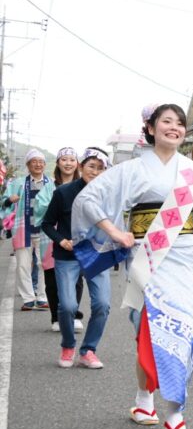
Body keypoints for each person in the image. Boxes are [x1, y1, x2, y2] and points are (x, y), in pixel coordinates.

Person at [71, 104, 193, 429]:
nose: (174, 128)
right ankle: (148, 401)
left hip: (187, 264)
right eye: (166, 122)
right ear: (151, 128)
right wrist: (115, 233)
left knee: (184, 333)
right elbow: (88, 200)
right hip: (148, 262)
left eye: (179, 123)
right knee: (149, 333)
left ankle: (174, 409)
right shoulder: (130, 170)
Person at [41, 147, 113, 369]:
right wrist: (61, 240)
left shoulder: (108, 194)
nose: (95, 171)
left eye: (101, 168)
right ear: (81, 167)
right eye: (91, 166)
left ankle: (88, 350)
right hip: (67, 255)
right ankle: (68, 345)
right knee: (68, 306)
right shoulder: (63, 193)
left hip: (97, 254)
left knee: (102, 304)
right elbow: (46, 223)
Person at [34, 147, 85, 331]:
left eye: (72, 159)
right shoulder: (49, 187)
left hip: (76, 236)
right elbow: (40, 211)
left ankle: (75, 314)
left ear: (77, 163)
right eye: (64, 159)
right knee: (52, 278)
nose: (68, 163)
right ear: (58, 163)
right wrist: (57, 202)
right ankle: (56, 317)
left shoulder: (83, 185)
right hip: (51, 237)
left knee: (77, 276)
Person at [5, 149, 52, 311]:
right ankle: (28, 298)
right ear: (28, 165)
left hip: (45, 230)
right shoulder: (18, 183)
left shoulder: (51, 184)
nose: (38, 164)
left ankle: (42, 296)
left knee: (44, 264)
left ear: (45, 165)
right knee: (23, 265)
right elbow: (4, 201)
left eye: (41, 162)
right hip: (23, 229)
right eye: (34, 161)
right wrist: (9, 200)